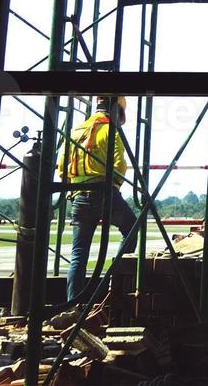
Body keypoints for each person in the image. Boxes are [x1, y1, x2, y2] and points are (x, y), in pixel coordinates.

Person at [59, 95, 138, 305]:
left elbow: (61, 167)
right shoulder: (111, 130)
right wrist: (114, 189)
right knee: (131, 228)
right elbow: (120, 166)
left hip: (79, 198)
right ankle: (114, 285)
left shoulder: (76, 131)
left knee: (78, 254)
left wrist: (71, 193)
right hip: (104, 193)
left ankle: (73, 305)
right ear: (116, 110)